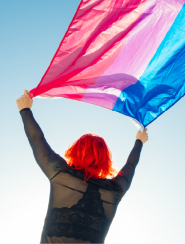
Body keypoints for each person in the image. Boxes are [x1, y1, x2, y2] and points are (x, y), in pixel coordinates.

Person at [16, 90, 148, 244]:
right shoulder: (115, 190)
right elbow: (131, 165)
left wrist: (25, 110)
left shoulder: (61, 173)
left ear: (75, 152)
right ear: (105, 160)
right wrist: (139, 142)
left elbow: (37, 140)